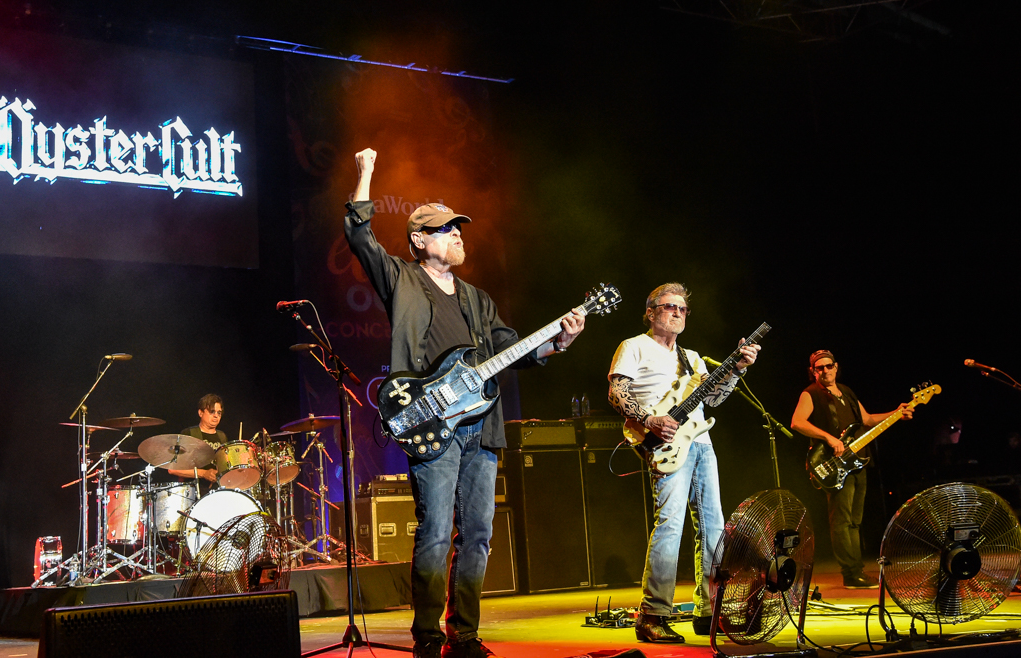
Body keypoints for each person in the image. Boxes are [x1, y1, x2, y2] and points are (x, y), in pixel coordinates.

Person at [345, 148, 586, 658]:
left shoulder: (478, 298)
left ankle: (466, 634)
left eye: (459, 228)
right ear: (418, 241)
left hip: (482, 427)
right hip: (433, 422)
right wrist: (367, 172)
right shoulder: (402, 279)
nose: (458, 234)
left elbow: (510, 349)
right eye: (445, 229)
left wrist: (558, 341)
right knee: (434, 532)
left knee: (477, 534)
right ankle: (428, 639)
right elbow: (359, 237)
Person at [606, 282, 759, 643]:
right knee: (671, 524)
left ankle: (709, 610)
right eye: (670, 306)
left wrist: (736, 368)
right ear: (651, 311)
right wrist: (649, 419)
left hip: (701, 441)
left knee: (713, 527)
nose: (678, 313)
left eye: (683, 309)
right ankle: (653, 613)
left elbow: (716, 398)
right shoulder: (633, 346)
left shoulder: (692, 357)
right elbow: (616, 392)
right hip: (663, 443)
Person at [790, 350, 911, 588]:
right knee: (842, 520)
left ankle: (857, 570)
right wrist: (829, 439)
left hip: (857, 462)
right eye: (819, 368)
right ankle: (850, 572)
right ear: (813, 371)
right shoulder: (811, 393)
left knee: (855, 520)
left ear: (836, 367)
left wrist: (897, 413)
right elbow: (797, 422)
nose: (824, 371)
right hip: (834, 464)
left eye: (828, 366)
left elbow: (867, 420)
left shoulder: (847, 391)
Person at [166, 394, 228, 486]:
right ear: (200, 413)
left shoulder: (222, 436)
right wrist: (203, 474)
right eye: (212, 411)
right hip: (193, 491)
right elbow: (173, 469)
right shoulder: (189, 434)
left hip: (217, 491)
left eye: (219, 413)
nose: (216, 416)